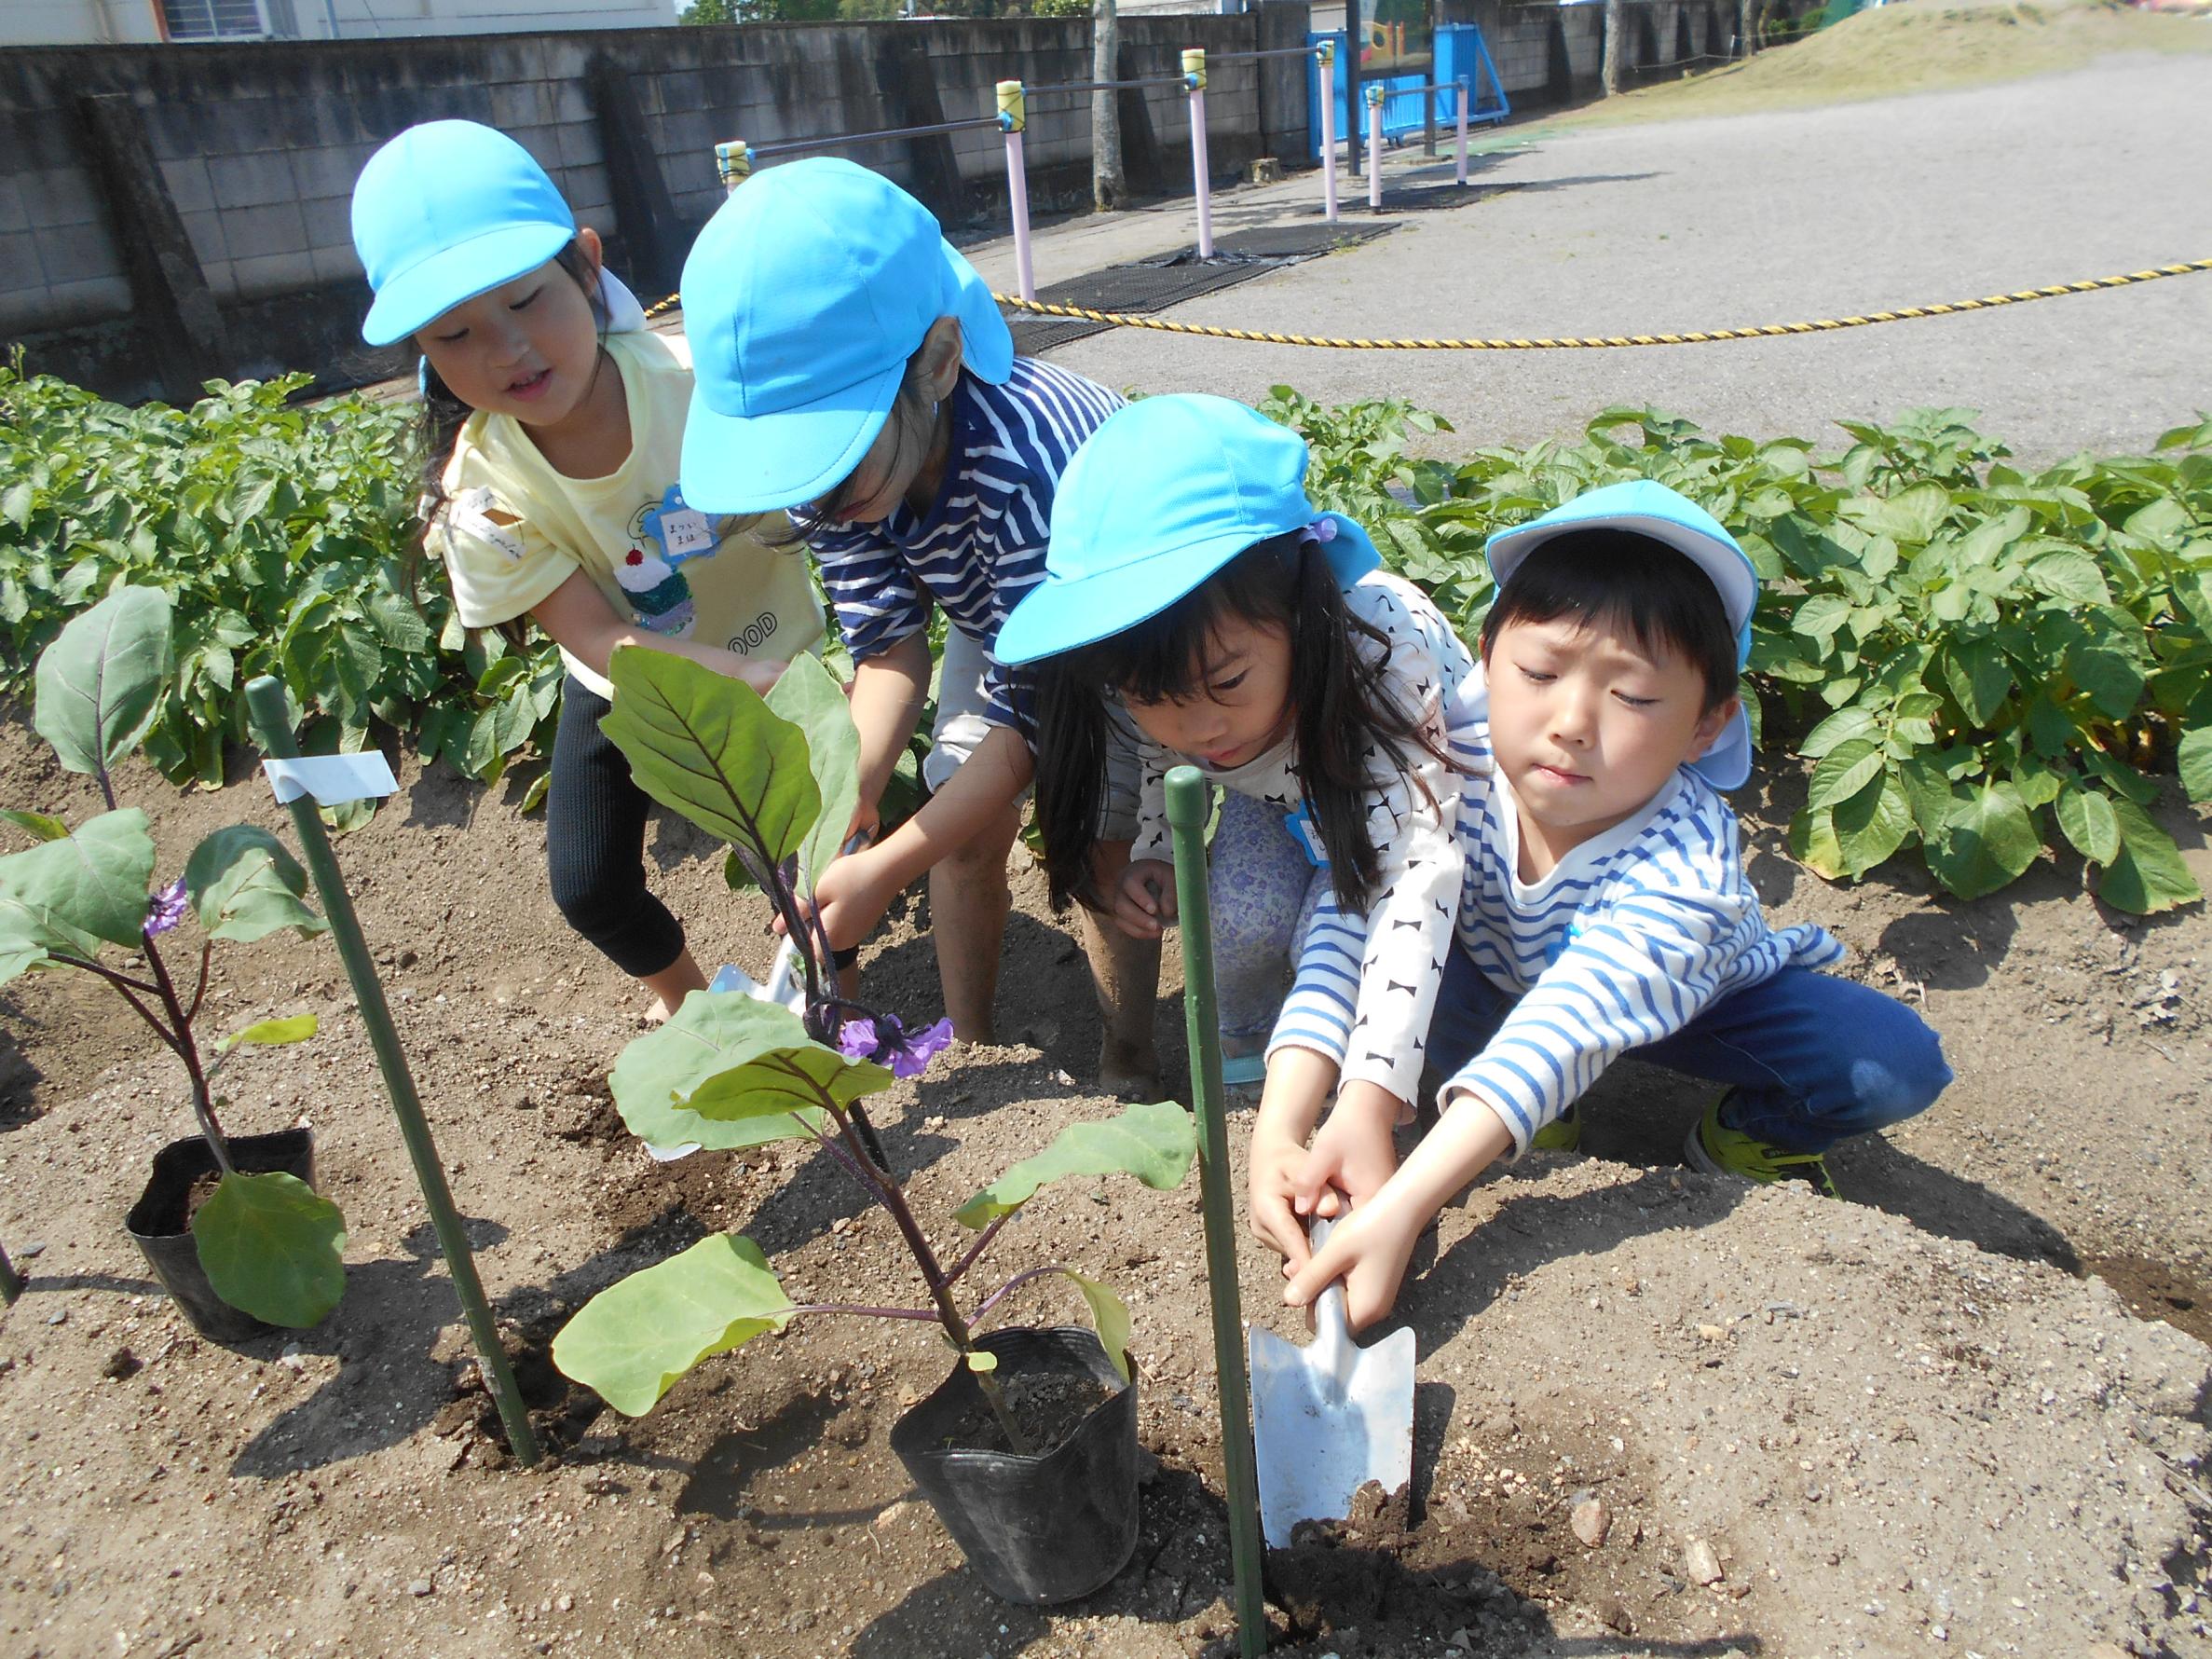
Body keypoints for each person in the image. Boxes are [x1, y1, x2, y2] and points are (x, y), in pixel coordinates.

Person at [1269, 481, 1954, 1331]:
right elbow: (1350, 922)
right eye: (1540, 672)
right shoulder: (1439, 768)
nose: (1573, 722)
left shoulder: (1686, 863)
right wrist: (1293, 1112)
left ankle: (1743, 1135)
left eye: (1633, 697)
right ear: (1486, 656)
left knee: (1888, 1061)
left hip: (1686, 1005)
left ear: (1708, 724)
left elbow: (1576, 1019)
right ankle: (1525, 1123)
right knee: (1411, 960)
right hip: (1494, 973)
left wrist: (1405, 1206)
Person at [671, 158, 1161, 1092]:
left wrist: (886, 868)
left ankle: (1128, 1057)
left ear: (937, 363)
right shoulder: (851, 482)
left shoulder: (1025, 466)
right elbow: (889, 645)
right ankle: (972, 1050)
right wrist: (848, 789)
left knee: (1097, 833)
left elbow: (1032, 726)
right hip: (1002, 613)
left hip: (1112, 615)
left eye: (835, 469)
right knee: (959, 820)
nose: (818, 502)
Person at [351, 121, 820, 1020]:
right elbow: (604, 639)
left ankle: (831, 1001)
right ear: (424, 351)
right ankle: (699, 1013)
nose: (505, 351)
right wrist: (740, 681)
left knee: (803, 863)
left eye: (527, 302)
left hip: (780, 655)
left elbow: (817, 491)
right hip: (627, 679)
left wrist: (793, 679)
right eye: (455, 334)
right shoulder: (483, 495)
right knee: (587, 885)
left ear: (588, 266)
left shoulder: (696, 380)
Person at [996, 393, 1483, 1186]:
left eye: (1225, 681)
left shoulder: (1381, 651)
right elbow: (1163, 760)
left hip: (1434, 815)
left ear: (1299, 602)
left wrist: (1375, 1087)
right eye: (1151, 698)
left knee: (1407, 960)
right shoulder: (1189, 706)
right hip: (1289, 805)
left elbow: (1416, 874)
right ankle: (1257, 1074)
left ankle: (1399, 1092)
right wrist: (1155, 844)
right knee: (1236, 922)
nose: (1198, 729)